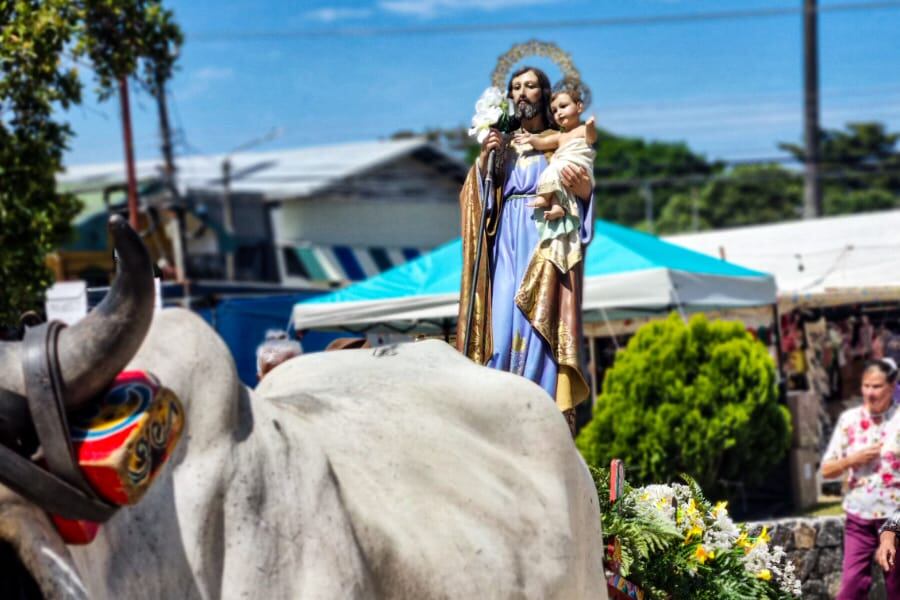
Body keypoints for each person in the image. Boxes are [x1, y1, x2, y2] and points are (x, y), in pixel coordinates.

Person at [457, 66, 595, 435]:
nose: (521, 92)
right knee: (501, 329)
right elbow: (476, 200)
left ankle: (541, 419)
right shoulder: (501, 147)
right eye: (515, 87)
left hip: (544, 242)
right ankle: (499, 420)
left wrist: (583, 192)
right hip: (506, 242)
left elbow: (581, 193)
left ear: (544, 95)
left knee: (539, 330)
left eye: (530, 86)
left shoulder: (558, 141)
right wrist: (485, 160)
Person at [821, 357, 900, 598]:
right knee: (851, 587)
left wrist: (892, 529)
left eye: (877, 386)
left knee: (897, 588)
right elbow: (827, 470)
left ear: (892, 386)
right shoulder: (849, 420)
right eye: (866, 386)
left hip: (895, 516)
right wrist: (852, 459)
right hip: (859, 518)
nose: (870, 392)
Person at [513, 78, 596, 274]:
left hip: (576, 164)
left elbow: (591, 138)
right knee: (552, 172)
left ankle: (547, 198)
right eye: (555, 110)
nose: (558, 112)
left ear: (579, 107)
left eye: (563, 106)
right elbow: (544, 143)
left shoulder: (581, 130)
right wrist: (531, 139)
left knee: (555, 169)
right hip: (561, 166)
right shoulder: (560, 136)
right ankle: (556, 205)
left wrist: (590, 126)